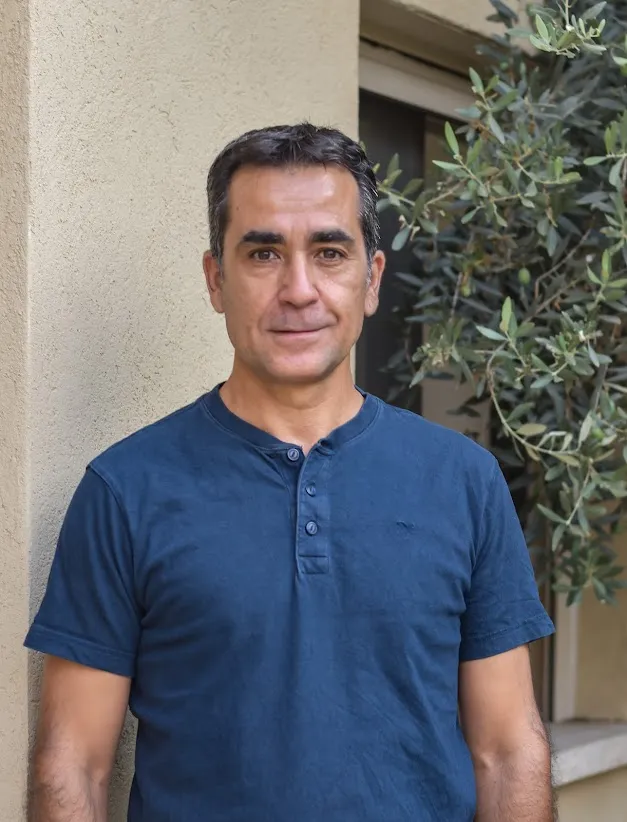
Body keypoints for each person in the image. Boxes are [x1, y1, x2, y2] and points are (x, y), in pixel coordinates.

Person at [25, 123, 555, 822]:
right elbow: (73, 765)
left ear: (371, 279)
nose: (298, 289)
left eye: (329, 252)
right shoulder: (125, 491)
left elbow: (509, 753)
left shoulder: (462, 482)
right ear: (216, 280)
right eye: (264, 253)